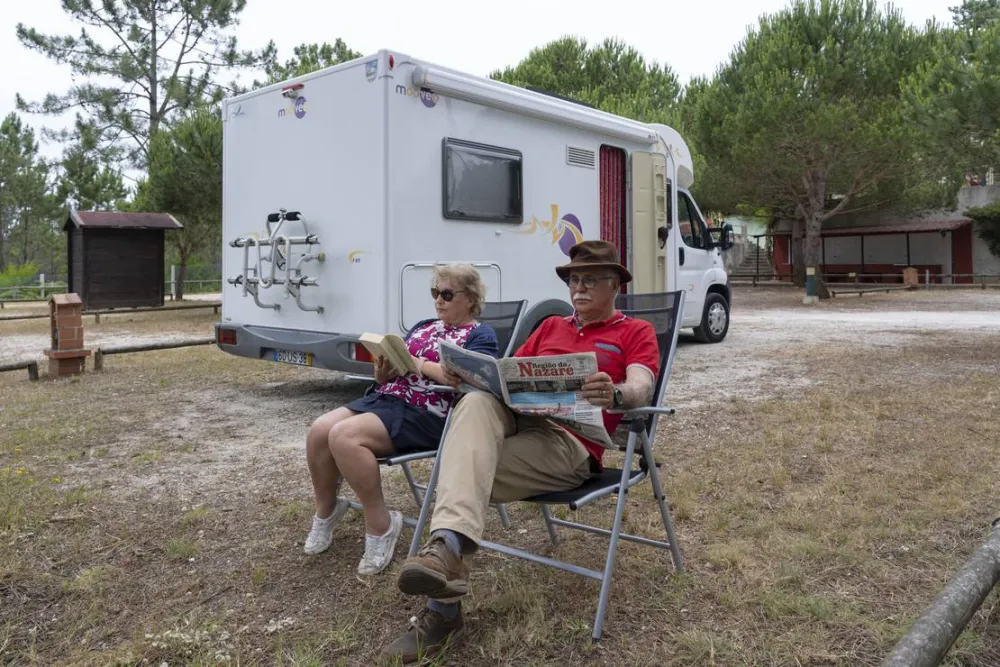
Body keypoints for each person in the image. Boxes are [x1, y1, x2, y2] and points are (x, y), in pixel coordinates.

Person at [379, 240, 661, 663]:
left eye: (590, 280)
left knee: (462, 470)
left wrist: (618, 394)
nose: (578, 288)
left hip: (570, 444)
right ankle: (447, 552)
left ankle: (443, 605)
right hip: (520, 420)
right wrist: (470, 373)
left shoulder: (634, 332)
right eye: (574, 280)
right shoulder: (550, 328)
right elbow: (507, 376)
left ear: (615, 285)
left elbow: (642, 383)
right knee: (474, 403)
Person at [303, 263, 499, 576]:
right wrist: (383, 373)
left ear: (471, 298)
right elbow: (402, 367)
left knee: (344, 437)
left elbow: (472, 381)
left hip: (430, 413)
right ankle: (327, 509)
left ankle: (381, 524)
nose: (439, 300)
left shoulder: (480, 335)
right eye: (435, 292)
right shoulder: (423, 325)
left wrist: (419, 364)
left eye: (447, 294)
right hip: (389, 398)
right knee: (318, 431)